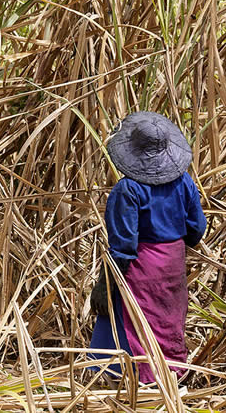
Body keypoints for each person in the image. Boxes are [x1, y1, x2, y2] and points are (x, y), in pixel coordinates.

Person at [89, 111, 207, 384]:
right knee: (166, 319)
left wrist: (104, 284)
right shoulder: (184, 182)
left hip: (141, 266)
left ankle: (129, 378)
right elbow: (196, 230)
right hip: (172, 263)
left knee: (127, 316)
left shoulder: (127, 190)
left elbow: (124, 246)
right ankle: (169, 376)